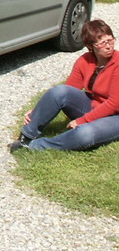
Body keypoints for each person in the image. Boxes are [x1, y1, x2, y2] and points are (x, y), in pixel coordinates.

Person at [9, 19, 119, 152]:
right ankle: (25, 137)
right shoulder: (85, 61)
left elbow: (114, 104)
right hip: (94, 106)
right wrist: (37, 111)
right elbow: (67, 91)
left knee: (85, 133)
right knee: (59, 91)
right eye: (102, 43)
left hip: (115, 116)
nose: (109, 46)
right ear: (91, 46)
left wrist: (82, 120)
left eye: (110, 40)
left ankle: (33, 146)